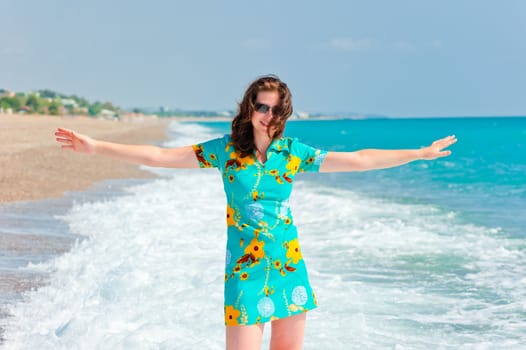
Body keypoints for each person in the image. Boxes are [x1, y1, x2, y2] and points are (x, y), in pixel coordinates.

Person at [54, 75, 457, 350]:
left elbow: (359, 159)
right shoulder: (225, 151)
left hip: (288, 266)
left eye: (277, 110)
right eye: (262, 107)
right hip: (244, 272)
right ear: (250, 108)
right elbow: (160, 155)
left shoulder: (293, 154)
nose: (269, 116)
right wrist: (97, 146)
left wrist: (418, 153)